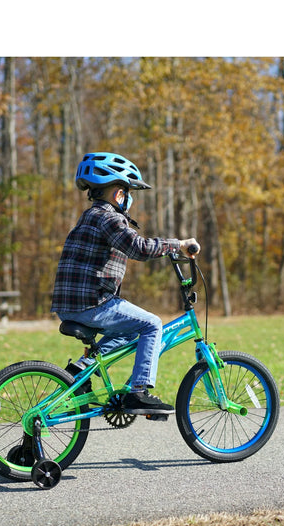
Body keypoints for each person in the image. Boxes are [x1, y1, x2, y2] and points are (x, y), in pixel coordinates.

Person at [51, 152, 200, 415]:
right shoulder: (109, 218)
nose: (130, 199)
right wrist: (177, 244)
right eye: (129, 192)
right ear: (119, 194)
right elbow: (139, 248)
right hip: (92, 302)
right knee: (152, 324)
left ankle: (82, 369)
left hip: (72, 303)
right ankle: (138, 393)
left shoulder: (90, 216)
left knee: (132, 330)